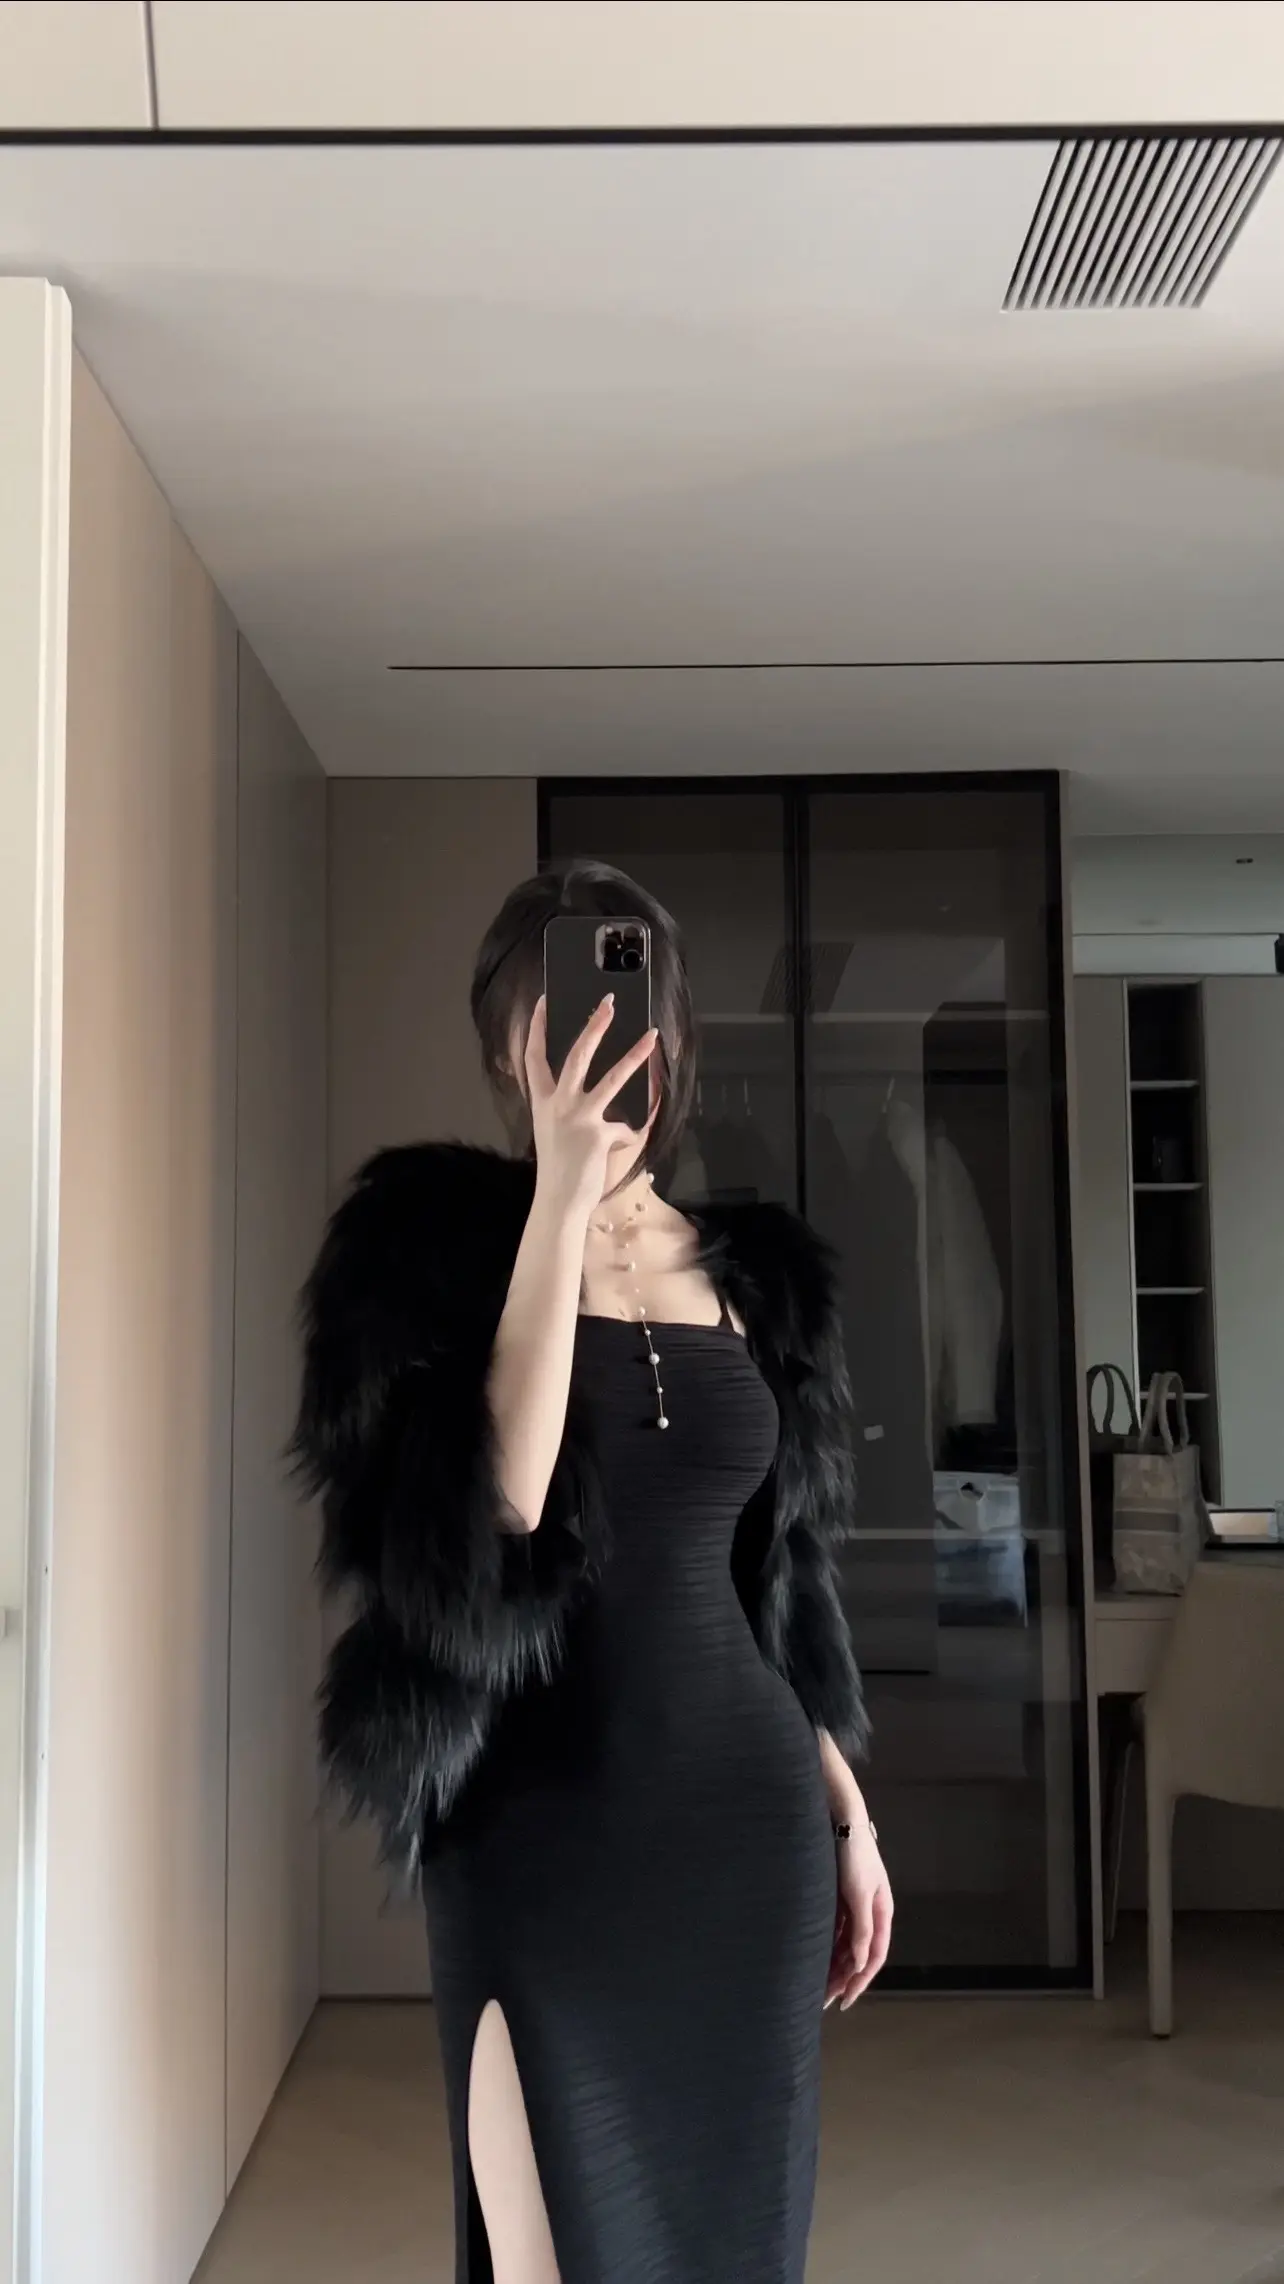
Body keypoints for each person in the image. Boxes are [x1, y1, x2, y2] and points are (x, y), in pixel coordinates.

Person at [292, 859, 893, 2284]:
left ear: (671, 1043)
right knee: (546, 2254)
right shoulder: (424, 1252)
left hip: (743, 1826)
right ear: (510, 1046)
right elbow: (498, 1509)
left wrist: (848, 1811)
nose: (606, 1044)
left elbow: (774, 1589)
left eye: (638, 1017)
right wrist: (560, 1202)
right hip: (536, 1834)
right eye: (560, 1017)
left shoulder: (759, 1278)